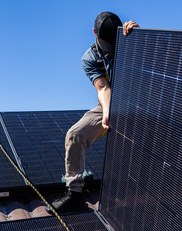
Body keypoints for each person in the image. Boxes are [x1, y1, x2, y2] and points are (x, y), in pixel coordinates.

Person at [49, 12, 139, 213]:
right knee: (74, 135)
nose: (110, 51)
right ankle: (75, 194)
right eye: (106, 45)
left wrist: (139, 40)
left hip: (143, 104)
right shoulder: (89, 58)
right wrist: (107, 114)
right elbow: (103, 88)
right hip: (112, 104)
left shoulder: (128, 41)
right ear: (94, 34)